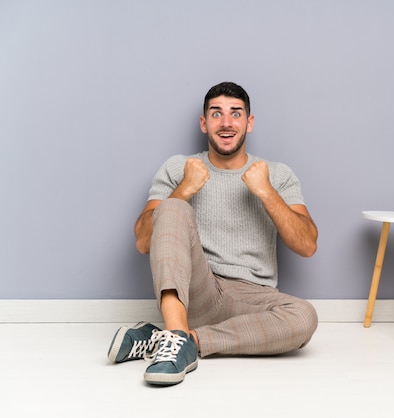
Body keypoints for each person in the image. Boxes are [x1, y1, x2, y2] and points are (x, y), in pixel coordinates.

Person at [107, 81, 319, 386]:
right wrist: (185, 189)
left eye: (236, 113)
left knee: (304, 317)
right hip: (197, 290)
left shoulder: (278, 174)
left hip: (252, 299)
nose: (227, 122)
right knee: (171, 208)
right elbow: (143, 241)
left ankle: (177, 340)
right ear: (204, 123)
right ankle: (179, 332)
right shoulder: (179, 167)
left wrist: (266, 192)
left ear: (250, 122)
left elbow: (308, 244)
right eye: (216, 114)